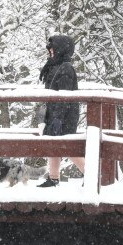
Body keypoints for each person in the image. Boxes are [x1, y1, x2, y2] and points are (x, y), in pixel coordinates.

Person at [37, 34, 86, 187]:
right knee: (53, 144)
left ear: (61, 50)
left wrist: (58, 118)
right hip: (53, 113)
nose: (50, 52)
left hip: (65, 114)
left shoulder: (66, 68)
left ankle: (93, 175)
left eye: (53, 49)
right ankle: (53, 178)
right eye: (50, 50)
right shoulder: (52, 66)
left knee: (67, 147)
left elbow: (64, 96)